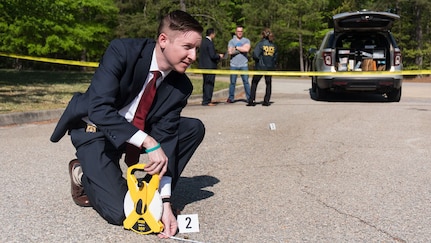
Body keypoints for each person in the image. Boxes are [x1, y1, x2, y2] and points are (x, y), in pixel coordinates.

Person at [50, 10, 205, 239]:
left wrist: (164, 202)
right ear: (163, 40)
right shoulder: (122, 51)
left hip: (136, 131)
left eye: (196, 49)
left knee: (192, 128)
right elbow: (99, 109)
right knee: (121, 213)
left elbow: (168, 139)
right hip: (95, 130)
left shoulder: (182, 86)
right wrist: (149, 141)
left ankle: (144, 191)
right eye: (187, 47)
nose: (193, 56)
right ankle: (82, 174)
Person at [247, 28, 277, 106]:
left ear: (263, 35)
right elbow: (275, 57)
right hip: (269, 67)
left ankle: (252, 100)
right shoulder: (273, 45)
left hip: (260, 67)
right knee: (268, 84)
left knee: (254, 82)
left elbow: (255, 55)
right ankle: (266, 101)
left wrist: (258, 61)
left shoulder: (260, 44)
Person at [198, 28, 223, 106]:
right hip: (210, 66)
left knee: (205, 83)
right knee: (210, 84)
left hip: (203, 66)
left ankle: (205, 99)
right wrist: (219, 56)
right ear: (212, 34)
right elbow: (212, 55)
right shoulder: (210, 43)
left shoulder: (202, 42)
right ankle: (207, 101)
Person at [227, 25, 251, 103]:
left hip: (244, 64)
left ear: (243, 32)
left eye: (241, 31)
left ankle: (249, 98)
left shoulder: (246, 40)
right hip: (233, 65)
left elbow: (246, 49)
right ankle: (231, 98)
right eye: (238, 31)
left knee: (246, 82)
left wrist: (236, 48)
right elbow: (230, 52)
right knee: (232, 82)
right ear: (236, 32)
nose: (240, 33)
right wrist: (241, 48)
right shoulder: (231, 41)